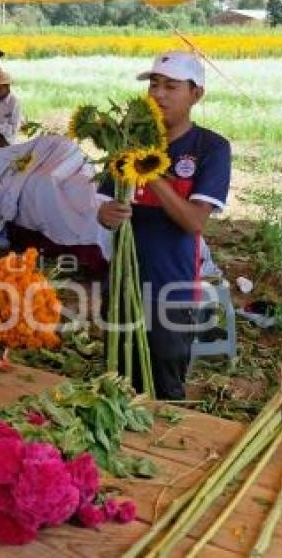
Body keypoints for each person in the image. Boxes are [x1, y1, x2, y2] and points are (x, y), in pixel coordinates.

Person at [96, 51, 232, 400]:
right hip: (122, 282)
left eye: (171, 86)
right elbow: (104, 205)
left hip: (172, 289)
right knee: (117, 376)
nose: (158, 95)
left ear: (196, 94)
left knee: (164, 384)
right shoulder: (125, 143)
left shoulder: (210, 148)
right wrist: (105, 214)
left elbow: (194, 220)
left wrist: (150, 172)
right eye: (153, 85)